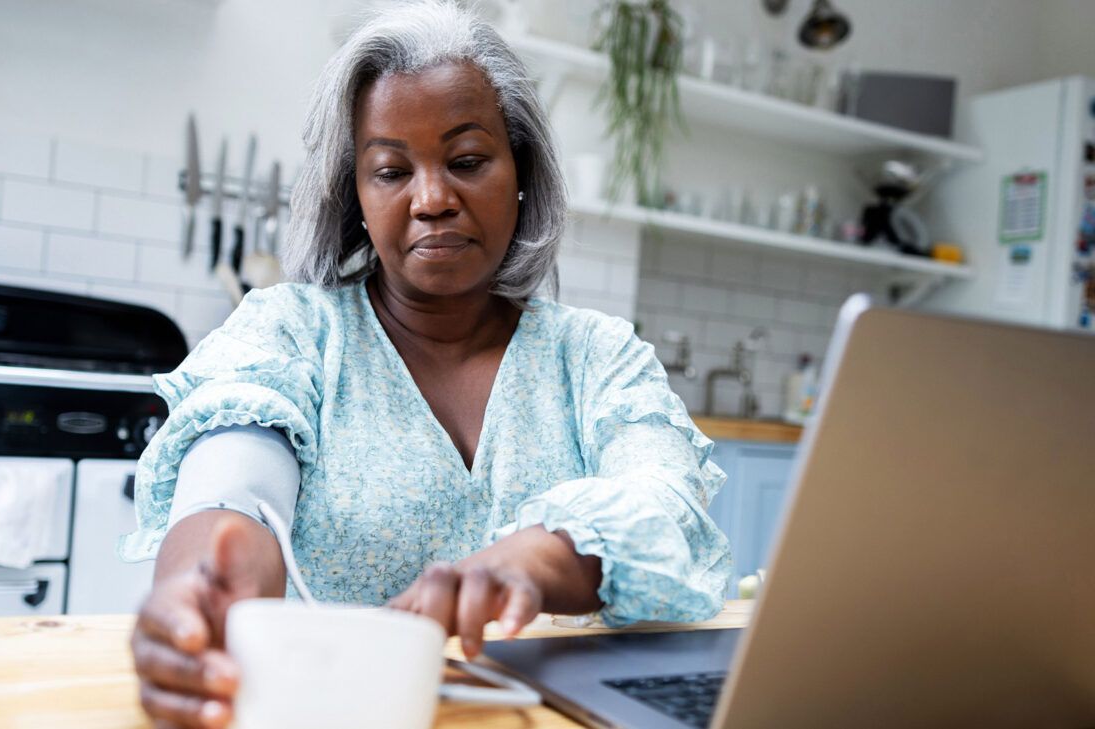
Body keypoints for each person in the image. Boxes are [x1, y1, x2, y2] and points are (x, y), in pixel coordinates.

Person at [122, 2, 731, 726]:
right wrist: (204, 591)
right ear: (357, 195)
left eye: (467, 161)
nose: (433, 199)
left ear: (522, 172)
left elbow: (670, 508)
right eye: (390, 171)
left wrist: (523, 561)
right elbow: (233, 491)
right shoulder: (287, 333)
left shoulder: (599, 356)